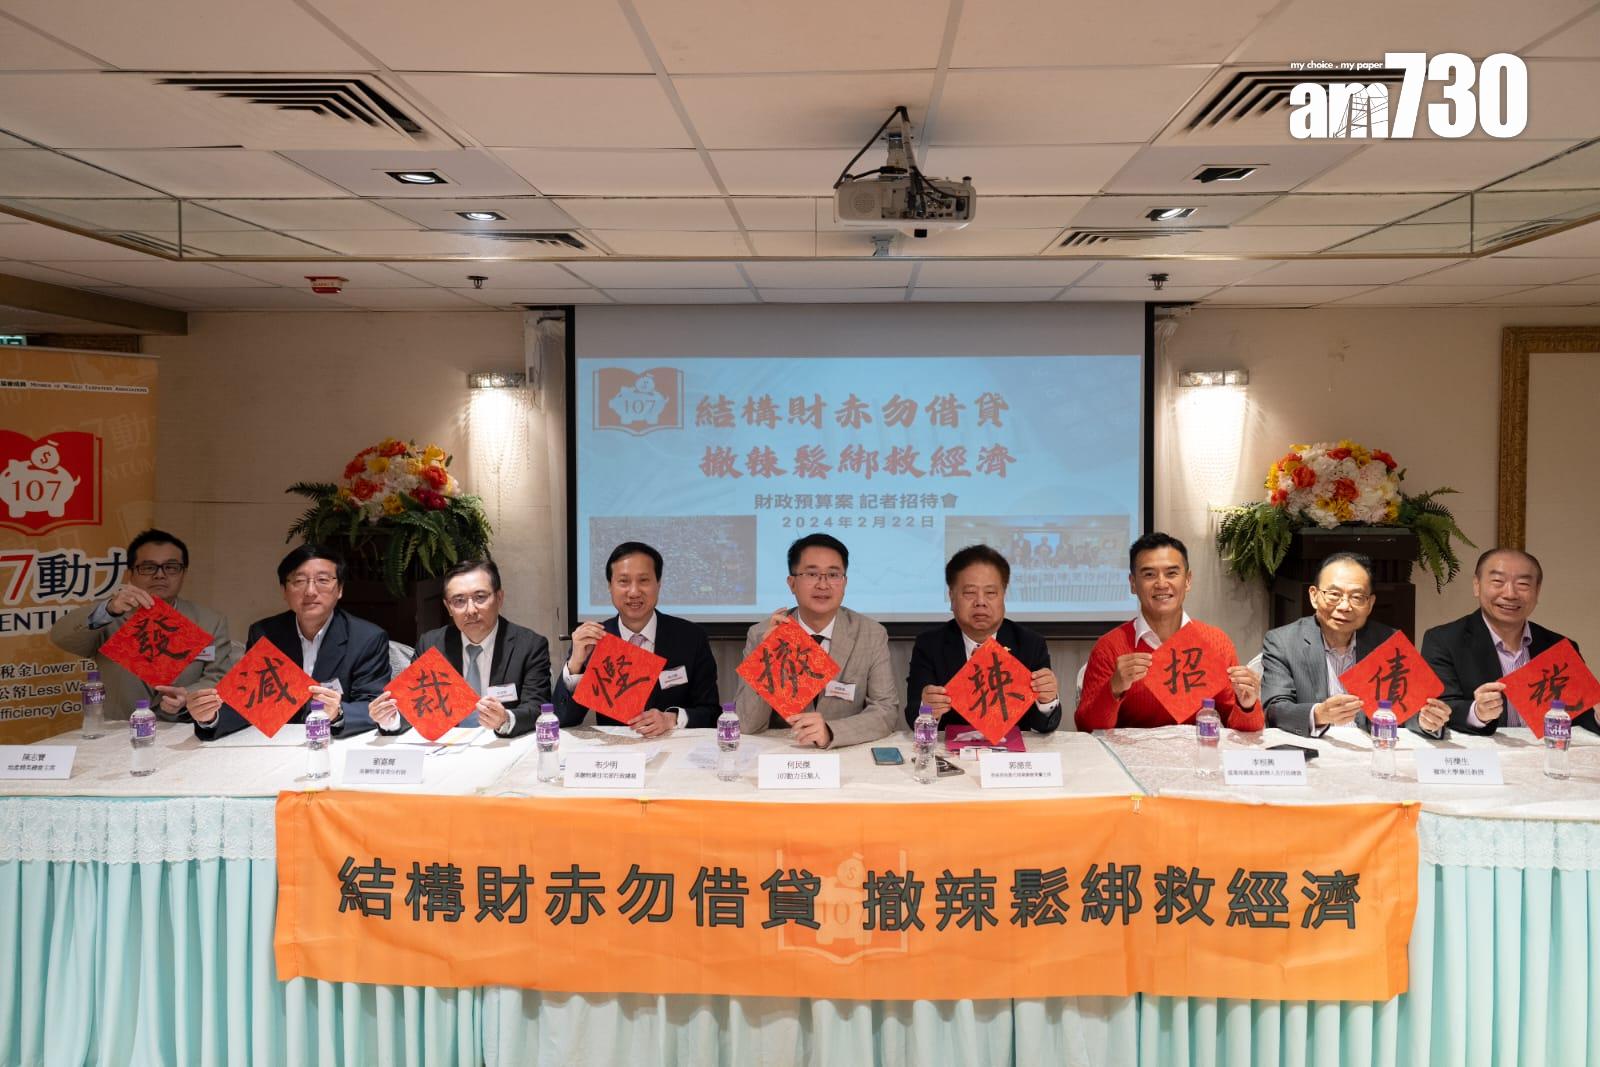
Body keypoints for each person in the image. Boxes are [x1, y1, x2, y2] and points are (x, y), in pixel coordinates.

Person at [189, 545, 389, 739]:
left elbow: (374, 704)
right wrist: (210, 718)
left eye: (322, 580)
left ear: (340, 590)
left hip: (332, 741)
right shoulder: (265, 634)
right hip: (276, 743)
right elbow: (250, 702)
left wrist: (338, 713)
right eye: (299, 581)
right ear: (284, 590)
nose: (310, 591)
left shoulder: (367, 638)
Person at [1076, 532, 1263, 731]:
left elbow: (1242, 731)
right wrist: (1114, 688)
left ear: (1188, 580)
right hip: (1130, 752)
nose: (1161, 584)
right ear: (1133, 583)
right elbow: (1087, 729)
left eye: (1171, 573)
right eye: (1149, 574)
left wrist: (1247, 706)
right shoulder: (1109, 647)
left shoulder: (1215, 643)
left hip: (1198, 750)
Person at [49, 528, 233, 721]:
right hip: (119, 728)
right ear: (130, 573)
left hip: (181, 729)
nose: (160, 575)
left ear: (183, 573)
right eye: (148, 567)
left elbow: (218, 676)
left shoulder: (210, 621)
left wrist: (188, 696)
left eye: (171, 567)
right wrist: (109, 609)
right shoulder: (110, 616)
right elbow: (62, 638)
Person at [736, 533, 899, 747]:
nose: (823, 585)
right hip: (784, 754)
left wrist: (831, 731)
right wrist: (768, 657)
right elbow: (746, 725)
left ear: (845, 583)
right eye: (812, 574)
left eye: (833, 575)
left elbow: (886, 711)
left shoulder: (870, 634)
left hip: (844, 753)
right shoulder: (762, 633)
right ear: (792, 583)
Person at [1262, 552, 1451, 737]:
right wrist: (1318, 714)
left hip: (1372, 749)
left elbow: (1409, 708)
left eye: (1357, 597)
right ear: (1314, 596)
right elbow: (1275, 710)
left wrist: (1426, 720)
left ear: (1370, 604)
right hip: (1315, 747)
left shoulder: (1387, 642)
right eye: (1334, 594)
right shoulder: (1283, 642)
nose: (1344, 606)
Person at [1421, 547, 1596, 735]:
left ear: (1537, 591)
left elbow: (1581, 713)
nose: (1510, 594)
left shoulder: (1559, 647)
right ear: (1477, 585)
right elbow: (1440, 707)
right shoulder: (1443, 641)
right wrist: (1477, 713)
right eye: (1498, 581)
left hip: (1546, 750)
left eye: (1523, 584)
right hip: (1484, 750)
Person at [370, 559, 551, 737]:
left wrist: (505, 719)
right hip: (447, 746)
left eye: (480, 597)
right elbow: (415, 709)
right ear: (448, 607)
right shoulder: (432, 644)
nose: (471, 610)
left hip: (503, 745)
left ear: (499, 598)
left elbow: (537, 707)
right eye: (459, 600)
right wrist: (389, 719)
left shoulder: (529, 646)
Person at [554, 541, 719, 735]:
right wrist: (575, 664)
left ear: (658, 584)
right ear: (610, 586)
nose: (634, 592)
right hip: (617, 750)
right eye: (624, 581)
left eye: (644, 580)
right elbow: (563, 719)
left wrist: (672, 719)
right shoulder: (595, 639)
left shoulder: (691, 637)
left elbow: (711, 713)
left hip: (674, 746)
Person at [905, 543, 1061, 733]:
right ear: (952, 597)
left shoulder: (1030, 644)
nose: (980, 602)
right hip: (949, 749)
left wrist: (1047, 701)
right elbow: (913, 714)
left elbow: (1044, 726)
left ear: (1003, 595)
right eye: (970, 593)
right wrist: (927, 708)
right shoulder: (930, 645)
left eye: (990, 593)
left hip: (1011, 750)